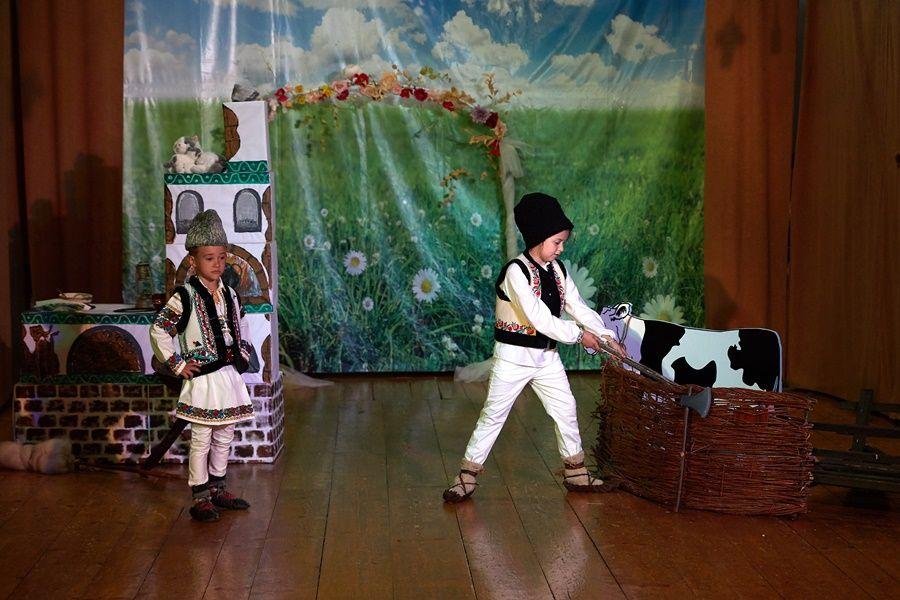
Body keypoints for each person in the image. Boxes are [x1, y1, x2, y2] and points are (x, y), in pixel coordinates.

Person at [443, 192, 626, 503]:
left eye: (562, 242)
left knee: (565, 408)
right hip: (513, 360)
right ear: (538, 237)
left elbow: (578, 307)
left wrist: (606, 336)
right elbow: (540, 318)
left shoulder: (558, 270)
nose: (561, 248)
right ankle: (467, 475)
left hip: (546, 359)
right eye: (557, 242)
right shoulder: (516, 272)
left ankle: (575, 471)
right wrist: (580, 336)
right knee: (494, 415)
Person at [150, 210, 255, 522]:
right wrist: (178, 364)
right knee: (202, 437)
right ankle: (200, 496)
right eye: (209, 258)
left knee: (225, 432)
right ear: (193, 261)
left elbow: (243, 325)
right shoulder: (184, 297)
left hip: (228, 375)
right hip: (204, 380)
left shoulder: (230, 295)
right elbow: (159, 330)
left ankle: (218, 487)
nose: (217, 264)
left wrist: (243, 353)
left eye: (222, 258)